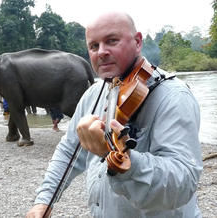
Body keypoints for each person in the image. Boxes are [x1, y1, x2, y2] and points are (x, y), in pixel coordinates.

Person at [26, 11, 203, 218]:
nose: (101, 52)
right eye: (94, 46)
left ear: (137, 42)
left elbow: (182, 184)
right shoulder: (95, 92)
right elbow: (68, 151)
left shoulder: (173, 96)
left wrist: (121, 160)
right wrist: (45, 199)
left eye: (111, 41)